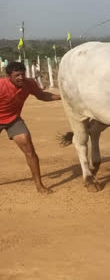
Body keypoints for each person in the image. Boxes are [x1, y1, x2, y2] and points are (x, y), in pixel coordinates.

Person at [0, 62, 61, 194]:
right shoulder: (1, 85)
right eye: (17, 75)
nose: (21, 77)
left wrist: (62, 97)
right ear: (8, 76)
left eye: (23, 74)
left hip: (13, 120)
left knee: (29, 150)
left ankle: (39, 186)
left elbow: (41, 95)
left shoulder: (29, 83)